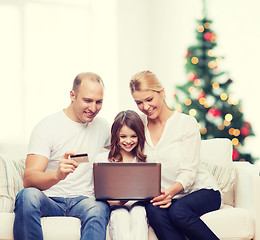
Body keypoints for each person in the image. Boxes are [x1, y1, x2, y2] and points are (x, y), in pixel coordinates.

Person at [13, 72, 111, 240]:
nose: (93, 108)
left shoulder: (102, 126)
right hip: (50, 199)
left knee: (100, 207)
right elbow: (29, 179)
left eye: (98, 102)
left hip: (85, 201)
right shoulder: (47, 127)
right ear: (72, 95)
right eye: (87, 100)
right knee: (26, 196)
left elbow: (123, 152)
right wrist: (57, 175)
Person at [129, 70, 222, 240]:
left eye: (149, 99)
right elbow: (121, 148)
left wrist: (170, 193)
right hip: (166, 196)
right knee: (153, 210)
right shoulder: (137, 126)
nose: (145, 107)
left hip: (201, 191)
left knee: (178, 211)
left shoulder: (186, 124)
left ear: (162, 92)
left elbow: (189, 171)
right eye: (139, 103)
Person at [94, 110, 149, 240]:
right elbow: (99, 193)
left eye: (133, 136)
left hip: (139, 205)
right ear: (115, 136)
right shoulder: (103, 159)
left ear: (140, 136)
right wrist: (120, 200)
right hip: (115, 207)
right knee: (120, 215)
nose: (128, 141)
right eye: (123, 137)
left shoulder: (146, 160)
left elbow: (150, 191)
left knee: (139, 213)